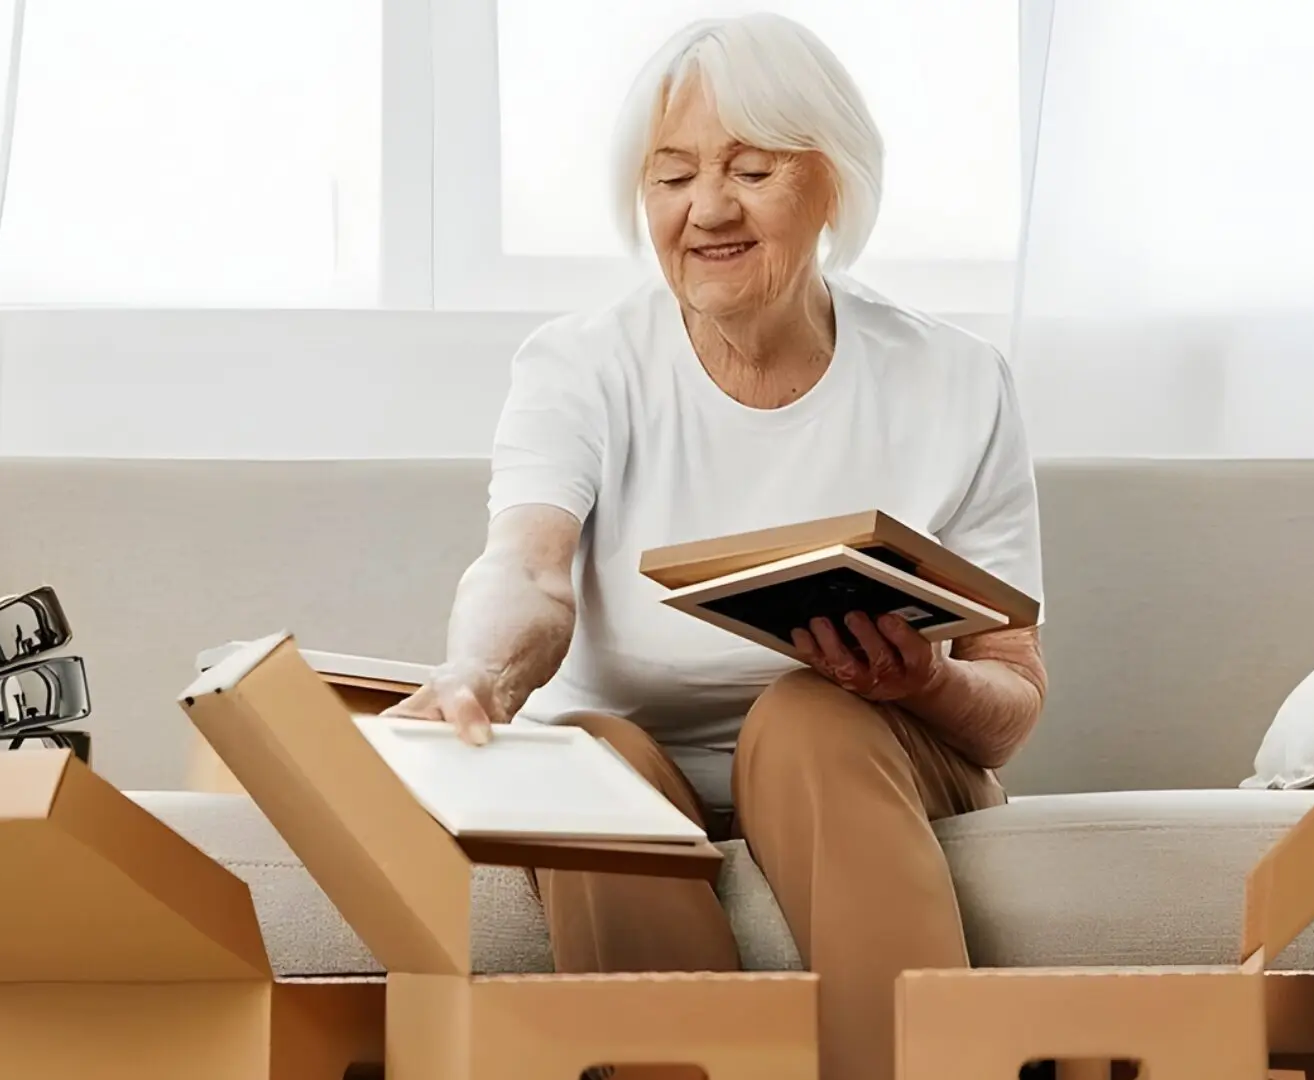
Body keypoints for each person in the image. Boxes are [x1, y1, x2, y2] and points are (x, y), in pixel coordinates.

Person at [385, 12, 1047, 1080]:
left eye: (751, 169)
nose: (707, 210)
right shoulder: (580, 366)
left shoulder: (956, 379)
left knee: (807, 717)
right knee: (585, 760)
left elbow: (1011, 700)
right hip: (635, 767)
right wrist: (482, 675)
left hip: (873, 754)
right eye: (673, 175)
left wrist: (921, 681)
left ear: (833, 183)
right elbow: (528, 566)